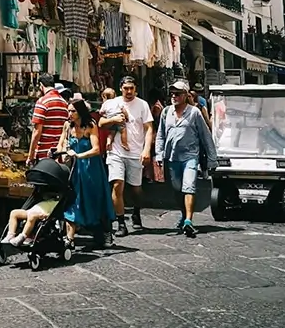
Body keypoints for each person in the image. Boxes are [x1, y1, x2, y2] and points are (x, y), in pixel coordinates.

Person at [155, 80, 217, 239]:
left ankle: (189, 220)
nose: (174, 96)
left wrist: (212, 159)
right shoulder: (166, 112)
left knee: (188, 187)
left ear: (185, 95)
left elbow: (205, 136)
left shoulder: (194, 112)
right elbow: (161, 134)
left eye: (177, 94)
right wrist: (159, 153)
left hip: (190, 156)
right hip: (172, 157)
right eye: (172, 94)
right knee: (177, 189)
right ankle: (184, 215)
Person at [57, 100, 115, 250]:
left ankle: (105, 232)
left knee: (94, 200)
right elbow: (62, 143)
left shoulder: (90, 125)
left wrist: (79, 155)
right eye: (68, 111)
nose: (69, 114)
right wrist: (62, 154)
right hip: (74, 170)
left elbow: (96, 149)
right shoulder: (67, 126)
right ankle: (69, 238)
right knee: (72, 201)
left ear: (80, 112)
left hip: (90, 168)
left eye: (72, 112)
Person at [99, 76, 153, 235]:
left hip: (135, 152)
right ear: (120, 88)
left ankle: (136, 211)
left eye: (131, 88)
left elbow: (149, 128)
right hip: (116, 151)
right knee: (117, 184)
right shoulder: (111, 103)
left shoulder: (142, 105)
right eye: (126, 88)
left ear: (135, 88)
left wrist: (147, 149)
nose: (129, 91)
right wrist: (114, 119)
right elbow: (100, 123)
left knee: (136, 188)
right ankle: (121, 222)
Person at [27, 72, 70, 165]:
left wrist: (30, 156)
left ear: (41, 85)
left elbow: (37, 132)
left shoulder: (42, 102)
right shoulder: (64, 103)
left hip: (44, 154)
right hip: (59, 152)